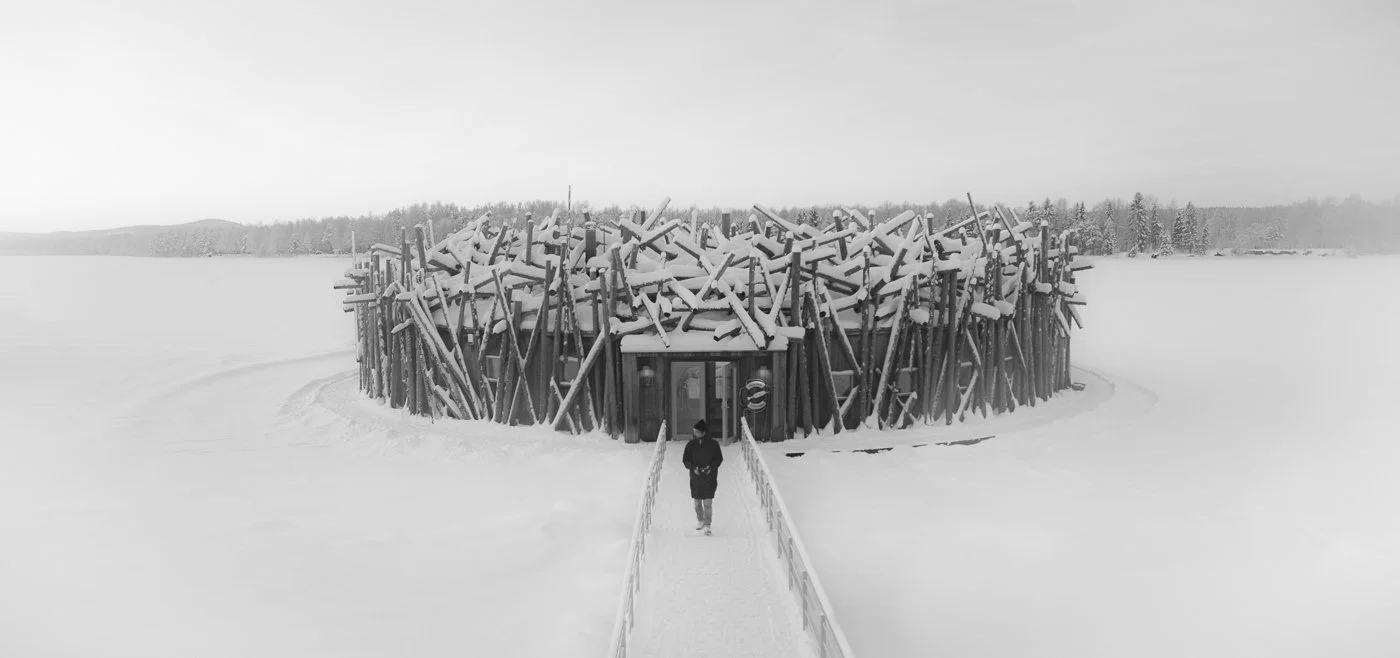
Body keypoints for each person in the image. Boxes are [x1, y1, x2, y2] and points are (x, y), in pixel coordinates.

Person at [681, 419, 723, 536]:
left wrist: (710, 468)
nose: (694, 433)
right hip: (696, 477)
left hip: (709, 477)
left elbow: (718, 459)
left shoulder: (714, 444)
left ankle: (707, 524)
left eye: (696, 431)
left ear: (703, 432)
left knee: (707, 503)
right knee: (697, 503)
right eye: (694, 431)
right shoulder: (690, 445)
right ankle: (700, 519)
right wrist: (693, 468)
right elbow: (685, 460)